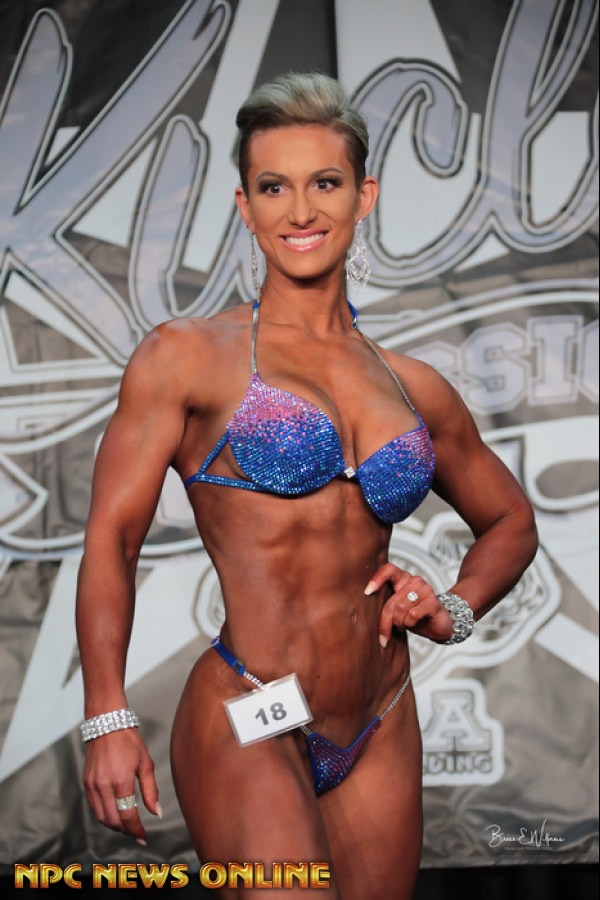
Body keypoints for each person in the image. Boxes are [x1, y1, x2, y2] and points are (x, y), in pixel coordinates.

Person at [76, 72, 538, 899]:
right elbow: (112, 538)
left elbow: (511, 520)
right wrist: (106, 715)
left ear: (364, 197)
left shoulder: (412, 385)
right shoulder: (186, 357)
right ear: (245, 206)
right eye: (273, 187)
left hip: (380, 719)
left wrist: (454, 606)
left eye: (324, 183)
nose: (299, 212)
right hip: (251, 711)